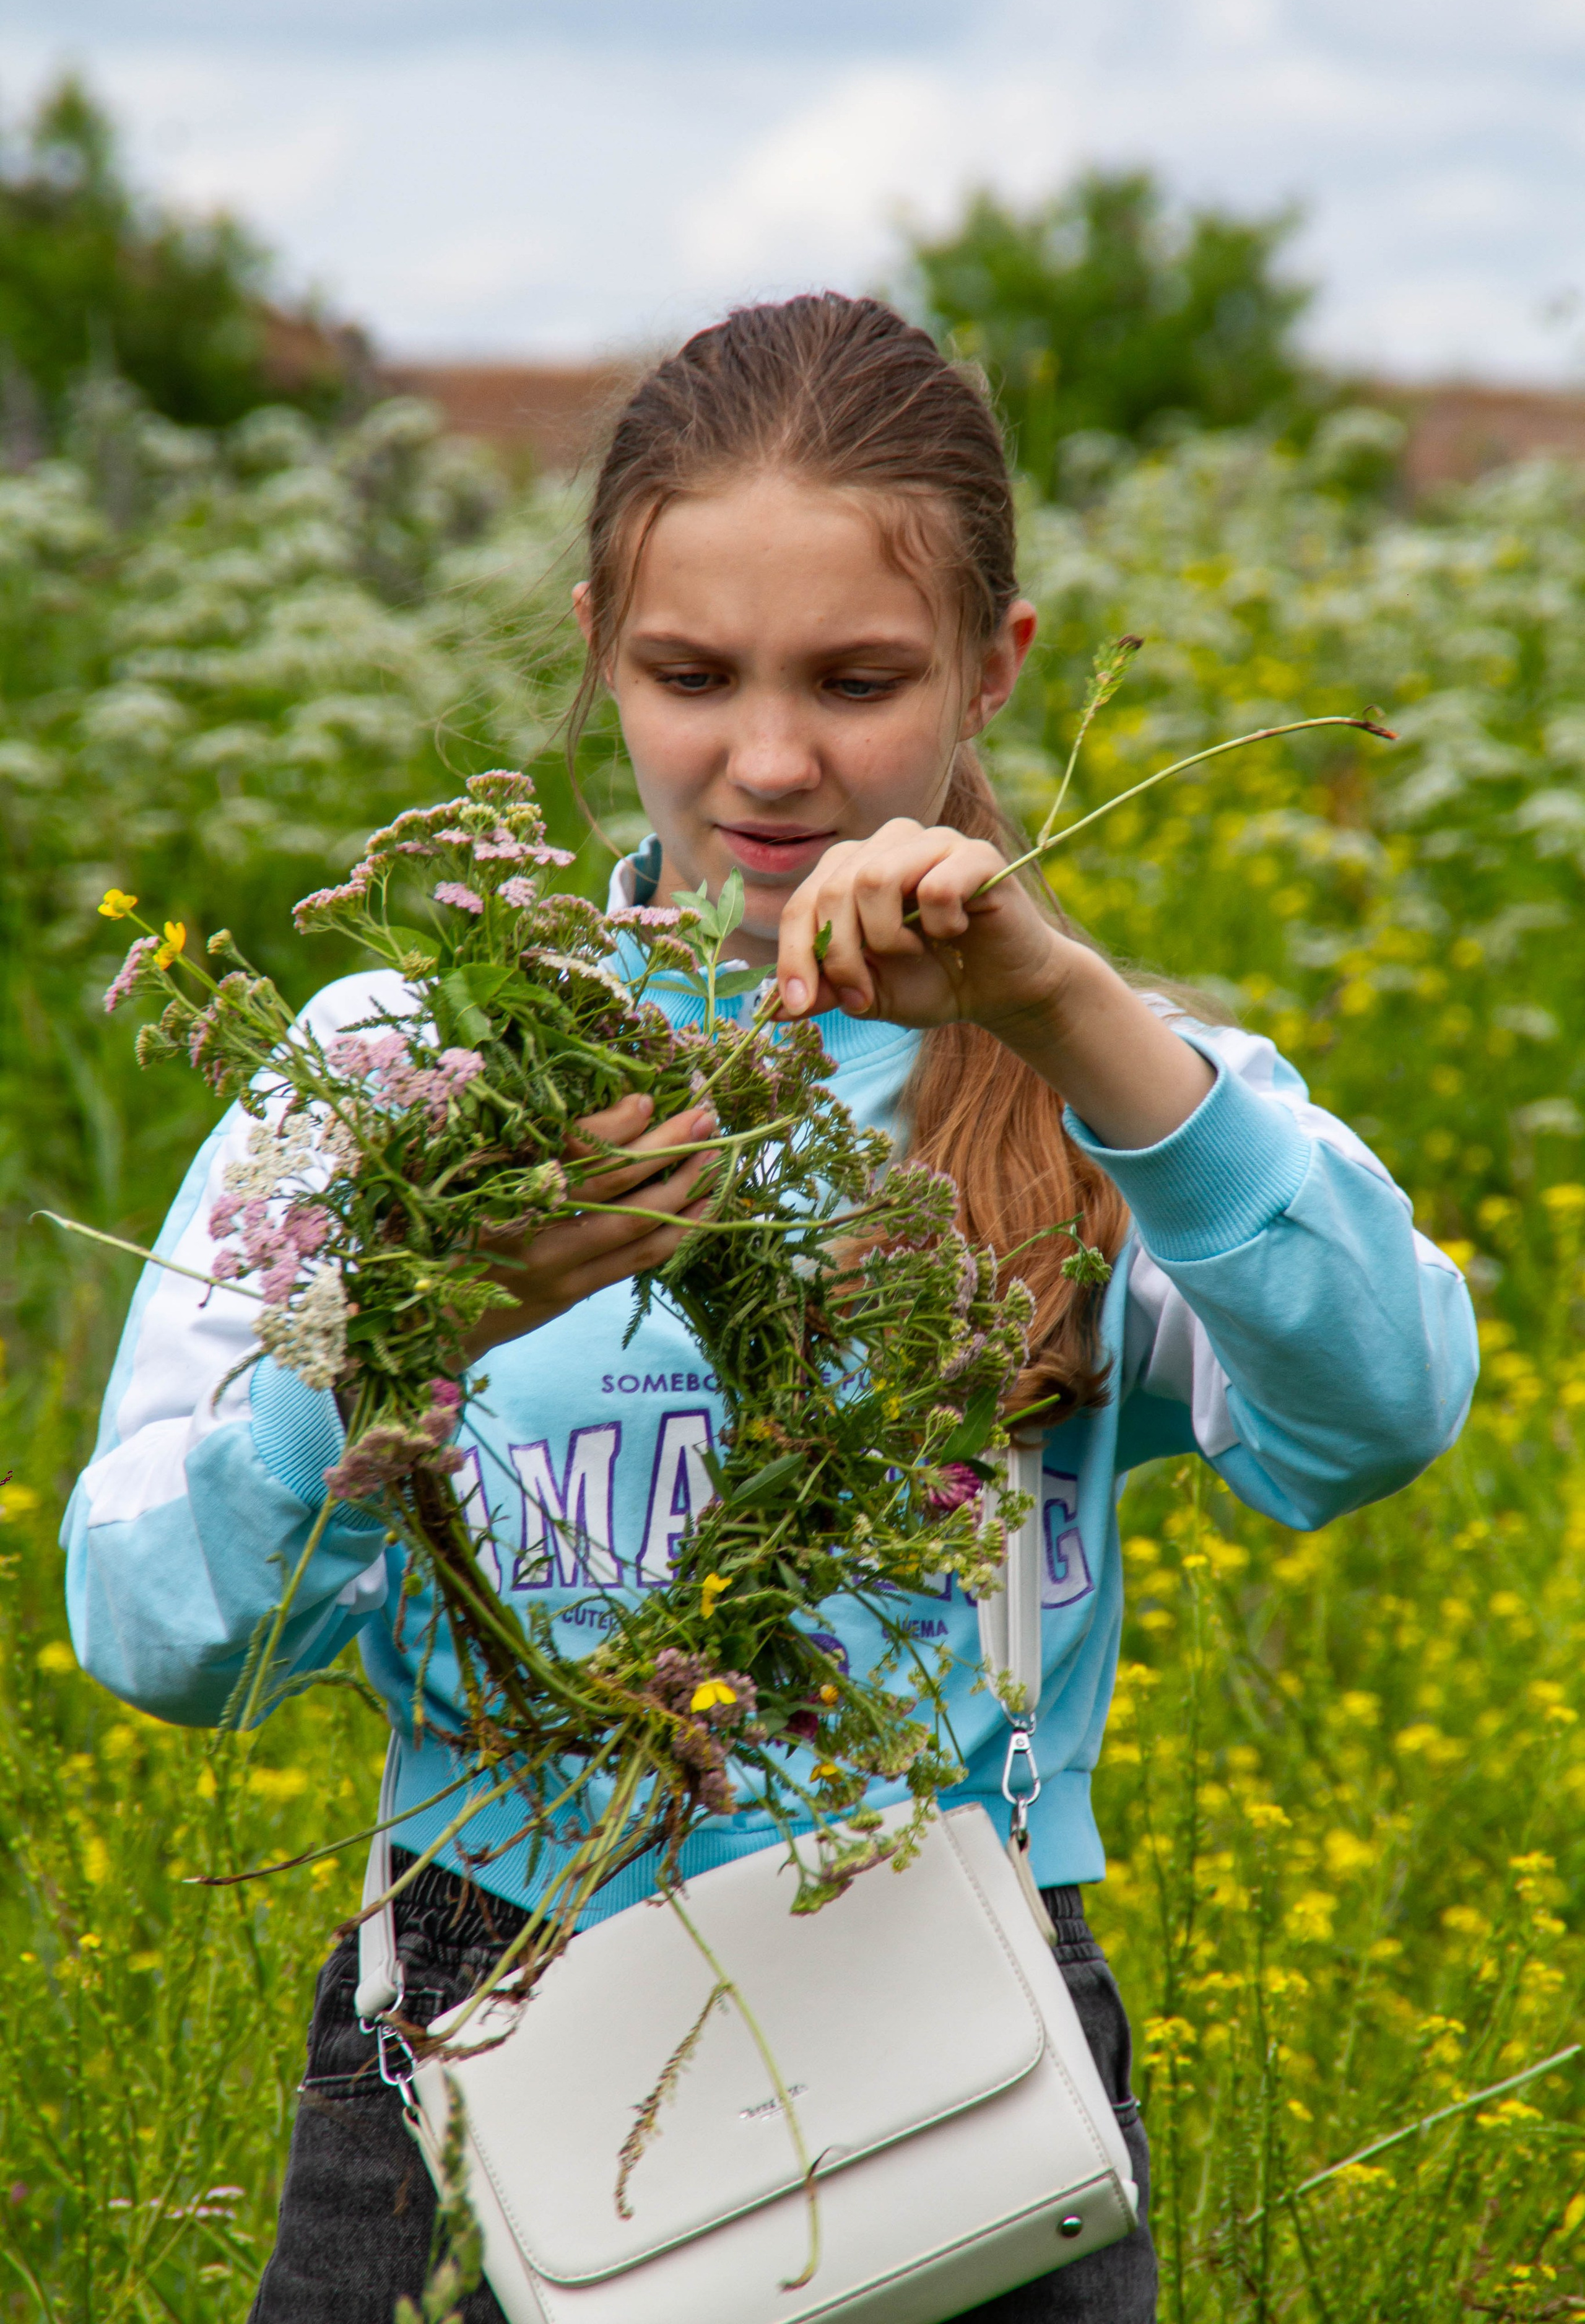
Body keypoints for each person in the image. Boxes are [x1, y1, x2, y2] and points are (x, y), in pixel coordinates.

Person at [61, 294, 1479, 2324]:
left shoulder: (1110, 1091)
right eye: (691, 674)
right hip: (470, 2004)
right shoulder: (406, 1070)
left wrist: (1073, 1011)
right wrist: (398, 1344)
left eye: (864, 678)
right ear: (595, 654)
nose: (776, 757)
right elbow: (157, 1631)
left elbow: (1380, 1413)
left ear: (996, 668)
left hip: (952, 2019)